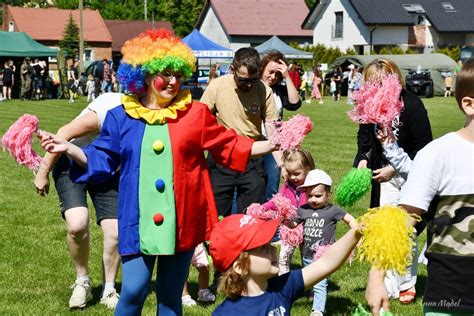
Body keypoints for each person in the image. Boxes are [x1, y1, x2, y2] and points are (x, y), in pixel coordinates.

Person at [40, 29, 277, 315]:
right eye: (165, 74)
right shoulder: (121, 116)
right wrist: (67, 148)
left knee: (168, 297)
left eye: (178, 74)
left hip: (182, 222)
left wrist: (274, 143)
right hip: (137, 221)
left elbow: (231, 145)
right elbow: (98, 158)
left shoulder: (196, 114)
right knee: (134, 290)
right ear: (144, 75)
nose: (174, 81)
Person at [365, 58, 474, 316]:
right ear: (469, 104)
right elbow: (402, 218)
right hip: (452, 297)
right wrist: (377, 275)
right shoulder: (438, 154)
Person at [354, 58, 433, 304]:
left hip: (411, 175)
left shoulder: (411, 105)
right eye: (371, 84)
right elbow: (364, 140)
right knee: (385, 230)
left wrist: (393, 167)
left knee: (406, 231)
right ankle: (387, 283)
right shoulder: (370, 107)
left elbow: (424, 147)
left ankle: (407, 283)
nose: (375, 89)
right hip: (385, 179)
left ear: (394, 80)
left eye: (380, 84)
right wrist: (363, 160)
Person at [34, 93, 123, 309]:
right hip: (70, 162)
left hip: (107, 169)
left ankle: (109, 288)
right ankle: (82, 281)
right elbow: (64, 133)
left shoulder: (152, 112)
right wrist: (43, 172)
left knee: (115, 231)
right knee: (77, 224)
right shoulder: (111, 106)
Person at [209, 213, 361, 315]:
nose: (273, 249)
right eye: (263, 248)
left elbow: (326, 263)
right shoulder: (227, 312)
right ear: (240, 267)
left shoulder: (283, 287)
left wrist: (357, 232)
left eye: (270, 243)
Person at [200, 47, 278, 217]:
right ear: (232, 70)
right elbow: (200, 121)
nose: (249, 84)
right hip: (221, 159)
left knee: (250, 218)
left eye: (253, 80)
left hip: (253, 161)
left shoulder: (264, 89)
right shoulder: (217, 86)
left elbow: (272, 129)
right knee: (216, 216)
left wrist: (282, 163)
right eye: (243, 80)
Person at [292, 169, 357, 315]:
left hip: (324, 256)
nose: (313, 199)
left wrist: (356, 231)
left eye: (318, 196)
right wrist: (284, 220)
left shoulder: (332, 210)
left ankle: (318, 310)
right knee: (307, 277)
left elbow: (350, 219)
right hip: (306, 253)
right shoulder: (303, 209)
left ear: (328, 195)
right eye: (309, 196)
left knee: (321, 283)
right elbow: (293, 224)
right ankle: (311, 294)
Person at [262, 148, 315, 275]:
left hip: (308, 226)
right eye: (289, 173)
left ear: (308, 169)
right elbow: (277, 201)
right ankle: (283, 281)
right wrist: (262, 208)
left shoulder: (313, 186)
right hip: (290, 228)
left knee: (308, 257)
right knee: (284, 258)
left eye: (297, 173)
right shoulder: (287, 186)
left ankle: (309, 282)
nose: (292, 177)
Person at [259, 50, 302, 200]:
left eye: (277, 75)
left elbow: (294, 103)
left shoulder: (278, 91)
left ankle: (267, 216)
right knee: (255, 184)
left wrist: (286, 76)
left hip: (274, 145)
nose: (272, 77)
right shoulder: (252, 88)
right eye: (270, 72)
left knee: (272, 181)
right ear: (262, 68)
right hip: (254, 142)